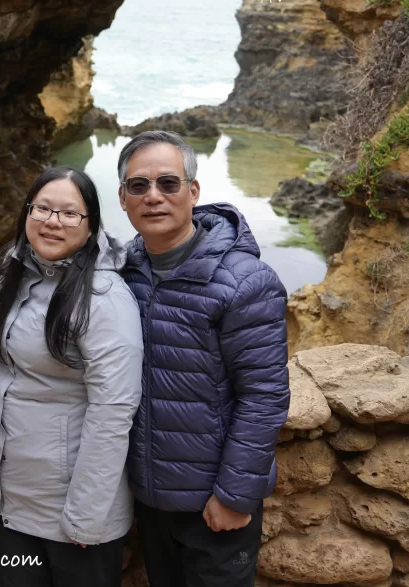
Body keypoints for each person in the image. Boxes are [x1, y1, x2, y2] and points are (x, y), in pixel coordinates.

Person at [116, 131, 290, 586]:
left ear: (193, 192)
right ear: (122, 198)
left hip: (213, 506)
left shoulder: (245, 283)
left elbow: (264, 396)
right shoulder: (121, 271)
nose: (153, 197)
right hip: (148, 499)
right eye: (139, 186)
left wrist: (235, 496)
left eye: (168, 183)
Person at [0, 166, 143, 586]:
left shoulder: (105, 298)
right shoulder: (12, 274)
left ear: (90, 228)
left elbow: (113, 410)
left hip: (73, 514)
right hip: (12, 501)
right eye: (42, 209)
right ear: (27, 213)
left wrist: (86, 518)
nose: (53, 222)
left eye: (70, 213)